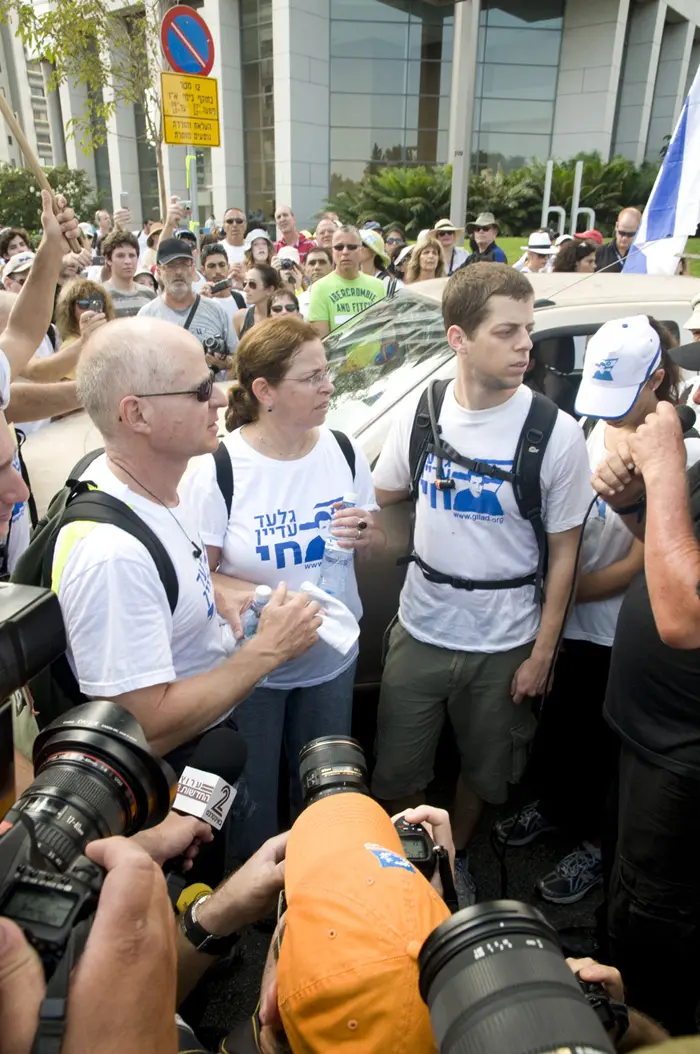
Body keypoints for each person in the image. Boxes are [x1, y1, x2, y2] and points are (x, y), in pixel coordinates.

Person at [371, 263, 591, 903]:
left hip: (506, 643)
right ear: (458, 339)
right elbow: (385, 488)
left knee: (487, 772)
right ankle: (414, 866)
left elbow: (566, 551)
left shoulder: (556, 433)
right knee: (397, 769)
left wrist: (542, 654)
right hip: (420, 626)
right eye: (507, 332)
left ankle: (457, 858)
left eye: (529, 330)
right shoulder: (422, 407)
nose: (526, 344)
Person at [53, 316, 321, 773]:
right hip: (170, 784)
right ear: (136, 414)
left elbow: (167, 577)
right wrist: (269, 650)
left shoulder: (152, 482)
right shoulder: (112, 557)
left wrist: (212, 595)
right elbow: (142, 726)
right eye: (199, 390)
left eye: (213, 380)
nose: (220, 397)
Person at [497, 316, 687, 907]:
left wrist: (564, 591)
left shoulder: (678, 447)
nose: (607, 412)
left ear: (656, 379)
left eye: (622, 396)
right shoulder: (585, 424)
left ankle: (595, 847)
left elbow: (639, 560)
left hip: (618, 629)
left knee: (607, 750)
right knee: (564, 727)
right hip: (573, 620)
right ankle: (557, 807)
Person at [185, 317, 383, 859]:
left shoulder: (343, 449)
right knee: (251, 796)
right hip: (254, 667)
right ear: (265, 391)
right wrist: (266, 600)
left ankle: (315, 885)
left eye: (327, 372)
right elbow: (201, 576)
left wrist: (368, 533)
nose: (329, 386)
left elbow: (375, 540)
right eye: (312, 377)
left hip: (330, 660)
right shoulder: (220, 468)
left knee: (322, 790)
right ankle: (251, 906)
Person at [587, 401, 700, 1034]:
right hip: (645, 730)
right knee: (628, 886)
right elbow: (667, 543)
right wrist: (636, 505)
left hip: (684, 758)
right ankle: (617, 973)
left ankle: (653, 1028)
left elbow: (685, 617)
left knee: (661, 914)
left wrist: (662, 471)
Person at [137, 237, 237, 377]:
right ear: (159, 272)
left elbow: (238, 358)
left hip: (209, 396)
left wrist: (226, 363)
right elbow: (138, 368)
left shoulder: (216, 310)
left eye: (184, 264)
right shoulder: (146, 316)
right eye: (171, 266)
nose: (178, 271)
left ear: (193, 270)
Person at [308, 226, 386, 338]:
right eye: (339, 247)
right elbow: (321, 340)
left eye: (351, 247)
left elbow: (383, 330)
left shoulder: (378, 286)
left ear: (360, 249)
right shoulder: (319, 288)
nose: (345, 252)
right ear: (332, 251)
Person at [102, 230, 156, 317]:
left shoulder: (149, 294)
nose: (128, 261)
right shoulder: (100, 295)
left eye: (132, 255)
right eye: (120, 256)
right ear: (108, 260)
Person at [199, 242, 246, 322]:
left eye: (222, 265)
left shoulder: (242, 298)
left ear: (228, 266)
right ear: (203, 270)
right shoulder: (199, 301)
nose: (218, 271)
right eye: (211, 266)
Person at [234, 263, 281, 338]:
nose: (245, 289)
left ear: (269, 289)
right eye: (245, 283)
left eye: (252, 284)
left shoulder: (282, 317)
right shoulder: (240, 317)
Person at [596, 208, 642, 274]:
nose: (624, 238)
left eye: (630, 234)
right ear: (616, 226)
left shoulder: (643, 255)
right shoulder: (599, 253)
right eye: (621, 233)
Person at [298, 246, 333, 319]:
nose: (317, 267)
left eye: (322, 262)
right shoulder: (298, 302)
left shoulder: (344, 297)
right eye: (312, 263)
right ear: (304, 269)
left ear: (331, 267)